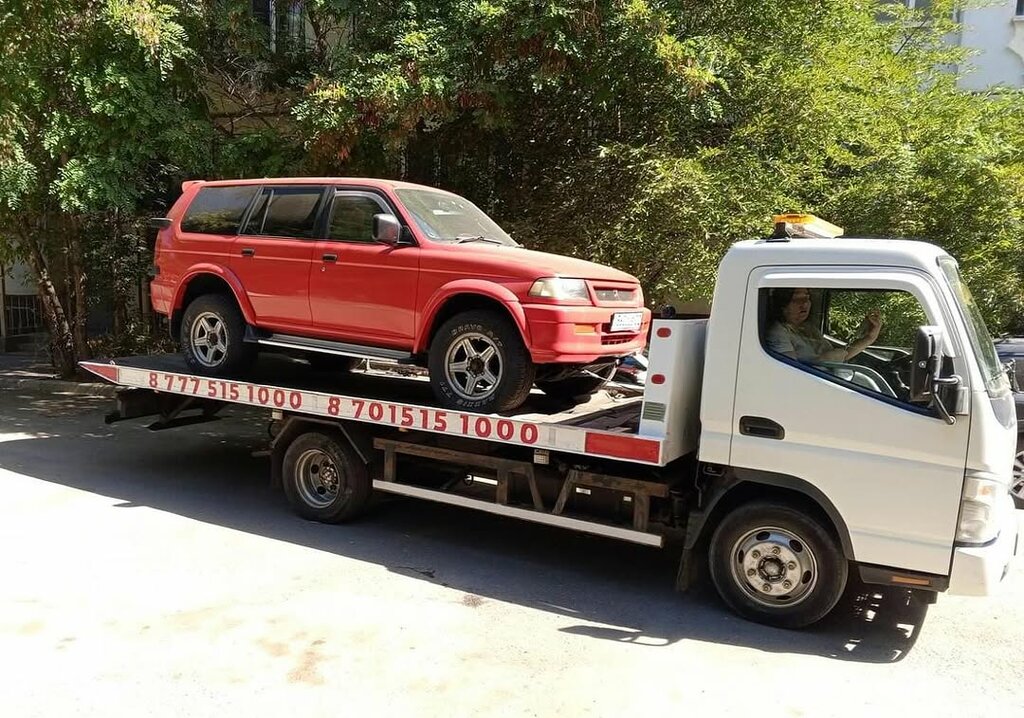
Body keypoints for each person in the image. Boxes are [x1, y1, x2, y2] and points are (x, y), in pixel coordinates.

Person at [766, 288, 881, 363]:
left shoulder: (808, 328)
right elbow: (788, 371)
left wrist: (870, 337)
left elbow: (841, 356)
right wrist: (823, 359)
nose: (805, 304)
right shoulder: (778, 332)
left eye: (807, 298)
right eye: (797, 299)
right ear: (782, 305)